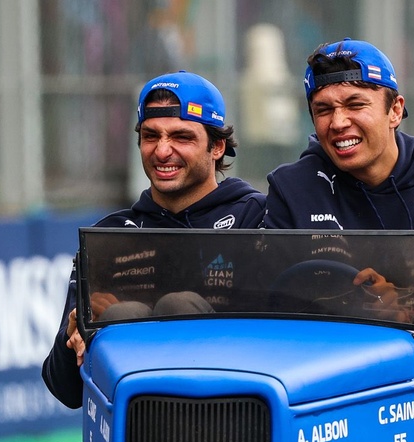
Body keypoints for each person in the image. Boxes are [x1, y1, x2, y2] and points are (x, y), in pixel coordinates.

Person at [264, 38, 414, 349]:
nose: (338, 123)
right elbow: (271, 307)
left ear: (395, 111)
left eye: (355, 105)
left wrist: (399, 332)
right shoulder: (291, 188)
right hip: (317, 369)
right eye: (323, 109)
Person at [42, 71, 266, 408]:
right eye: (151, 136)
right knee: (122, 314)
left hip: (238, 419)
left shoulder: (259, 220)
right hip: (139, 436)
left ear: (217, 147)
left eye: (181, 137)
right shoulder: (110, 239)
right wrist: (76, 330)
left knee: (178, 306)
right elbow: (66, 391)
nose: (162, 151)